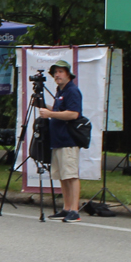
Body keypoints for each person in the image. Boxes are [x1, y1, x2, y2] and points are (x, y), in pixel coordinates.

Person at [39, 60, 82, 223]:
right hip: (58, 140)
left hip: (68, 139)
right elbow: (59, 110)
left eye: (61, 72)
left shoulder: (72, 91)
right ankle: (66, 207)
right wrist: (47, 107)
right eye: (55, 72)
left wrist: (51, 114)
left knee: (71, 175)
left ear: (68, 74)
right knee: (63, 176)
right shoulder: (60, 90)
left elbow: (73, 114)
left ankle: (75, 210)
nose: (57, 75)